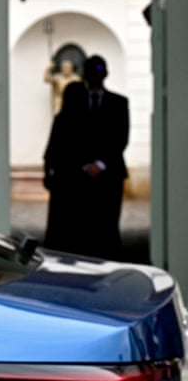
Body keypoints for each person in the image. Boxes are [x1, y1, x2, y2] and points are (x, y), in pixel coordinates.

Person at [42, 54, 129, 258]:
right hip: (75, 175)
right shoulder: (72, 100)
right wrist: (55, 167)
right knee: (75, 230)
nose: (95, 76)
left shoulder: (119, 103)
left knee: (105, 228)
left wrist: (100, 163)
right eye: (91, 71)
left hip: (107, 175)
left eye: (99, 71)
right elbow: (61, 136)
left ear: (106, 74)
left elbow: (120, 137)